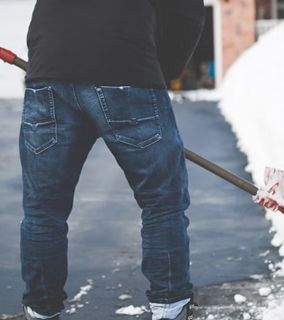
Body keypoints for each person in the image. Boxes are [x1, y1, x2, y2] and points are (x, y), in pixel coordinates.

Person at [20, 0, 205, 319]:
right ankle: (170, 305)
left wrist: (47, 60)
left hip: (50, 73)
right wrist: (160, 72)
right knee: (162, 201)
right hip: (127, 70)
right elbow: (185, 12)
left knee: (43, 208)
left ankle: (40, 309)